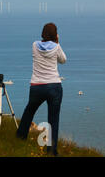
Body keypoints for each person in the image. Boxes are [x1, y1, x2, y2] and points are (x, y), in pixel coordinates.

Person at [16, 22, 67, 156]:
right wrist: (58, 42)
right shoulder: (56, 47)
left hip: (37, 86)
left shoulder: (34, 45)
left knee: (29, 111)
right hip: (54, 86)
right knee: (53, 119)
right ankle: (51, 150)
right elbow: (63, 60)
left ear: (43, 33)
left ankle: (20, 138)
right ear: (55, 35)